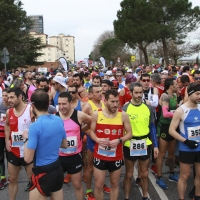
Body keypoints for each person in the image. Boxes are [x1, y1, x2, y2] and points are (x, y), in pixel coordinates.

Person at [23, 89, 68, 200]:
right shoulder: (58, 119)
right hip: (57, 169)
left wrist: (26, 139)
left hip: (43, 172)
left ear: (32, 105)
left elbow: (27, 159)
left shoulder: (35, 126)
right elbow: (64, 145)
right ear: (48, 104)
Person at [90, 89, 132, 200]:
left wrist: (119, 140)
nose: (115, 104)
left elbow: (130, 134)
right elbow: (91, 132)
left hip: (116, 156)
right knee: (98, 185)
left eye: (117, 101)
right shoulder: (97, 114)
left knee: (114, 184)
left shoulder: (123, 115)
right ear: (105, 101)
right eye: (112, 102)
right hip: (100, 155)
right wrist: (97, 140)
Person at [122, 82, 159, 200]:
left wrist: (156, 145)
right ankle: (127, 197)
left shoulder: (148, 107)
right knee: (128, 174)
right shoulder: (125, 108)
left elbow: (152, 127)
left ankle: (145, 197)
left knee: (144, 174)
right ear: (131, 93)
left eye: (140, 92)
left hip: (144, 143)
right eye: (136, 93)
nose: (139, 95)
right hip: (129, 143)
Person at [169, 82, 200, 200]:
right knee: (185, 176)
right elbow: (172, 130)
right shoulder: (181, 110)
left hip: (199, 147)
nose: (199, 96)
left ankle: (197, 196)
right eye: (197, 94)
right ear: (190, 94)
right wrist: (186, 141)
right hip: (186, 148)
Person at [57, 92, 91, 200]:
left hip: (75, 156)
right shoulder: (55, 117)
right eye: (59, 104)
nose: (61, 107)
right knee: (57, 186)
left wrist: (82, 129)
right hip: (59, 157)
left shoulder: (78, 115)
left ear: (71, 103)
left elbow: (91, 121)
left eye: (64, 104)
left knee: (77, 184)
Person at [5, 87, 34, 200]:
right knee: (12, 179)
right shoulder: (9, 112)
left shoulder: (31, 110)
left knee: (32, 179)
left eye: (12, 97)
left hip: (29, 150)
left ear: (20, 96)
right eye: (8, 97)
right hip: (14, 150)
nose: (9, 100)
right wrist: (7, 140)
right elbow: (7, 124)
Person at [83, 85, 109, 200]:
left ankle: (100, 185)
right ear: (90, 95)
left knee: (102, 166)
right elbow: (80, 125)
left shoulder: (103, 103)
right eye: (97, 92)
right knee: (91, 167)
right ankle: (88, 190)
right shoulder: (88, 106)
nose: (100, 93)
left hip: (103, 141)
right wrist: (90, 133)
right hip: (93, 142)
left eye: (100, 91)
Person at [156, 78, 179, 190]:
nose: (178, 86)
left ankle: (171, 173)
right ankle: (159, 177)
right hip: (164, 127)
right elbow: (165, 114)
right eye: (176, 84)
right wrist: (178, 112)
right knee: (161, 153)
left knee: (172, 153)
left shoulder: (175, 96)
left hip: (173, 126)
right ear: (171, 86)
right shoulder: (165, 96)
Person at [0, 89, 9, 189]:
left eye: (7, 95)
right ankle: (2, 178)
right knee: (1, 157)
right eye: (3, 95)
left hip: (10, 135)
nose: (5, 97)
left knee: (10, 158)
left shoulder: (13, 106)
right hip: (0, 135)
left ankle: (11, 176)